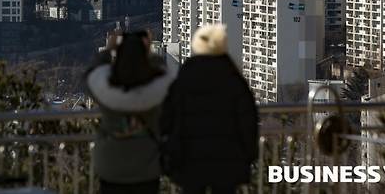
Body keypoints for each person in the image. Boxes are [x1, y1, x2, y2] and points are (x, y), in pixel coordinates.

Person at [160, 24, 258, 194]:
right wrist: (248, 154)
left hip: (190, 159)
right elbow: (248, 120)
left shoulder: (185, 76)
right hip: (227, 160)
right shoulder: (233, 77)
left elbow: (167, 117)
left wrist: (170, 147)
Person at [85, 30, 178, 194]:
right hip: (147, 166)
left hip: (111, 166)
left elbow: (92, 73)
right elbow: (165, 72)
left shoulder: (106, 91)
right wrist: (149, 53)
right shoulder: (157, 91)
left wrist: (108, 50)